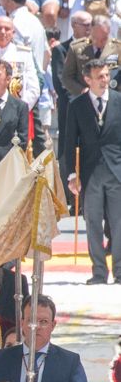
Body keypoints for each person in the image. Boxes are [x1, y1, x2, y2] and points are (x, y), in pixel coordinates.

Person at [60, 59, 121, 284]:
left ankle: (120, 271)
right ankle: (98, 272)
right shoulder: (77, 105)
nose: (105, 80)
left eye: (107, 75)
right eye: (100, 76)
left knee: (118, 223)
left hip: (117, 171)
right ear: (88, 79)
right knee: (93, 222)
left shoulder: (118, 101)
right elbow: (69, 143)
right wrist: (72, 175)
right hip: (90, 173)